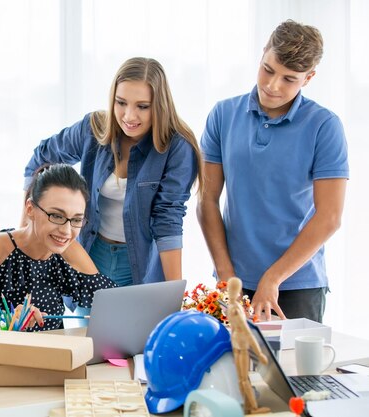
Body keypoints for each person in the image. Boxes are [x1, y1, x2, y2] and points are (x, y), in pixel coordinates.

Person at [197, 20, 348, 323]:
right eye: (268, 69)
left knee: (294, 372)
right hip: (234, 281)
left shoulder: (324, 126)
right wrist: (227, 278)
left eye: (289, 79)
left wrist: (274, 278)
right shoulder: (223, 115)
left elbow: (329, 217)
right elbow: (207, 200)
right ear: (263, 53)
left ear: (309, 78)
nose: (272, 85)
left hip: (297, 285)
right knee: (230, 369)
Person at [24, 57, 202, 288]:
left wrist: (174, 293)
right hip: (90, 253)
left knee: (140, 324)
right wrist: (26, 226)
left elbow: (168, 218)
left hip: (139, 263)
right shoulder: (93, 128)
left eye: (142, 106)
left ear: (159, 105)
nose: (129, 116)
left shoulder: (178, 148)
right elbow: (39, 159)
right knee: (84, 324)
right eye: (121, 103)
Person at [0, 164, 116, 331]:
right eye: (56, 216)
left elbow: (113, 304)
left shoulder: (69, 249)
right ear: (30, 209)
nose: (66, 231)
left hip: (53, 355)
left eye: (76, 220)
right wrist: (6, 321)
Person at [226, 277, 270, 414]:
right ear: (238, 291)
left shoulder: (230, 307)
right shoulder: (236, 309)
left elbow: (233, 329)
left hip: (235, 343)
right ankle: (253, 408)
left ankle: (246, 406)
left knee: (241, 379)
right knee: (244, 379)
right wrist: (259, 352)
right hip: (242, 345)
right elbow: (248, 332)